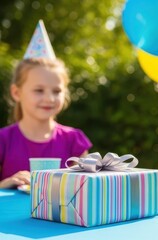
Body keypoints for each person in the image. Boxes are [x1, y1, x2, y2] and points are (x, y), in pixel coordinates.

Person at [0, 20, 92, 189]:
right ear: (16, 93)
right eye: (39, 90)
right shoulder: (3, 141)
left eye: (56, 91)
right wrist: (5, 184)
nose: (49, 98)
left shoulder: (73, 141)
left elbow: (88, 188)